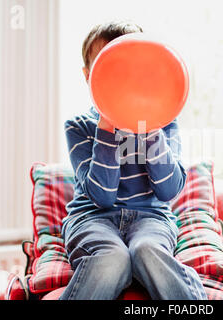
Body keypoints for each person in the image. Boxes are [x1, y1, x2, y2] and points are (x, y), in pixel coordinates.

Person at [59, 21, 208, 300]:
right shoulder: (78, 126)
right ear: (88, 75)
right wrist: (107, 127)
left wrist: (151, 129)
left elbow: (169, 190)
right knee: (112, 257)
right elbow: (102, 196)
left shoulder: (164, 123)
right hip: (92, 218)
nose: (121, 80)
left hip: (150, 218)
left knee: (147, 251)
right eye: (109, 69)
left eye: (130, 69)